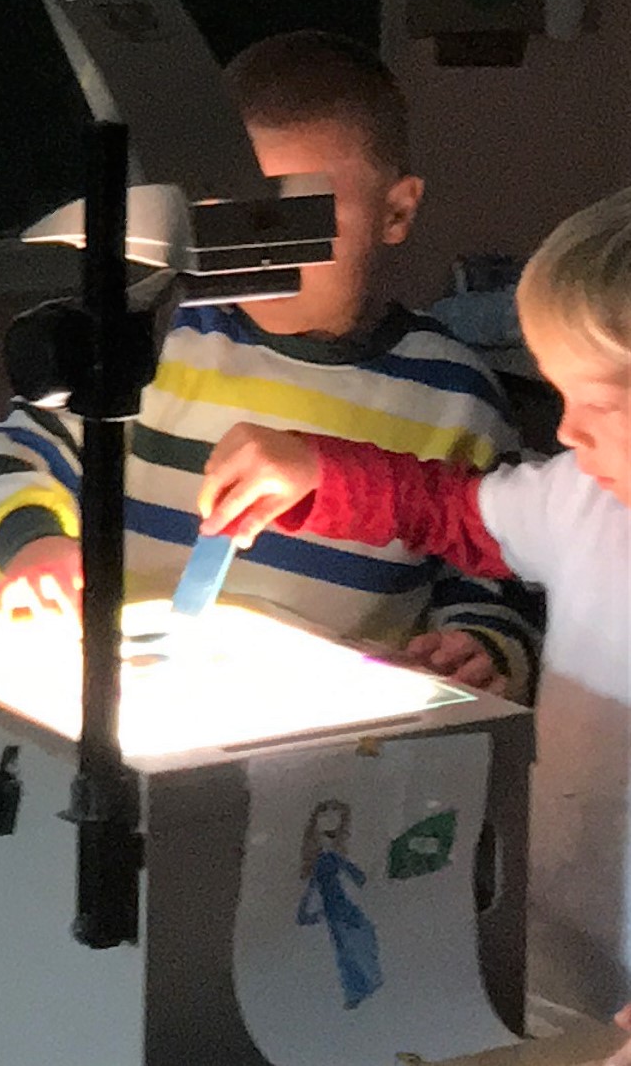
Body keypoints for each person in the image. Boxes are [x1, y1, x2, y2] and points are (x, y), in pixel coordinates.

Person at [0, 30, 540, 696]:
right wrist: (34, 547)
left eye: (301, 216)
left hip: (335, 723)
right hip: (136, 695)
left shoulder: (457, 397)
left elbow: (505, 570)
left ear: (395, 210)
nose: (265, 246)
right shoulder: (154, 343)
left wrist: (480, 646)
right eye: (237, 212)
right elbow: (9, 457)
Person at [201, 186, 631, 1053]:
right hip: (557, 956)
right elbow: (458, 514)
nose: (566, 430)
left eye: (600, 404)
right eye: (557, 395)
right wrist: (315, 470)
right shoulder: (582, 496)